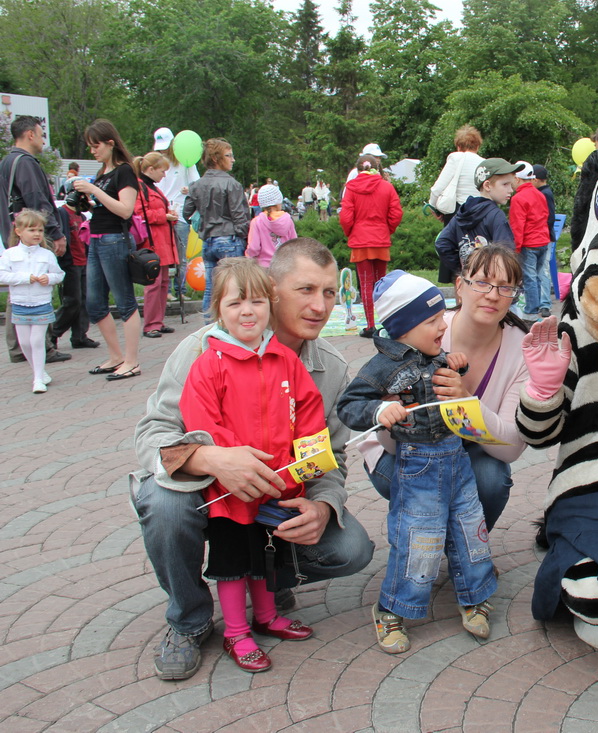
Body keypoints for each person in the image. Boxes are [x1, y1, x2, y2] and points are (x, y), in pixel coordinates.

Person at [131, 237, 374, 681]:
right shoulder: (203, 350)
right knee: (163, 505)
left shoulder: (331, 367)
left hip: (277, 496)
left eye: (329, 292)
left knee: (350, 548)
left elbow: (330, 456)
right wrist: (211, 459)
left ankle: (269, 584)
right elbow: (153, 435)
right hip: (208, 494)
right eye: (305, 290)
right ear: (273, 290)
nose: (319, 306)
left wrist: (323, 505)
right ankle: (190, 620)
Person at [337, 271, 497, 654]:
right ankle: (392, 609)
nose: (443, 325)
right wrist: (379, 409)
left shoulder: (433, 353)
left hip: (457, 461)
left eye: (442, 317)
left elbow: (441, 383)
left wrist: (455, 366)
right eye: (432, 321)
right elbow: (348, 406)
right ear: (403, 328)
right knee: (418, 541)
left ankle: (474, 596)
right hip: (418, 467)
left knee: (469, 528)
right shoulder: (381, 367)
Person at [179, 258, 320, 673]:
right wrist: (235, 466)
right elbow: (202, 425)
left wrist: (300, 466)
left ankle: (266, 616)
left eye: (257, 301)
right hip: (231, 492)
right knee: (232, 563)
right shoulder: (210, 364)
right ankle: (235, 632)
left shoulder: (285, 360)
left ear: (270, 304)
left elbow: (309, 413)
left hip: (278, 486)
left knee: (265, 557)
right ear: (218, 309)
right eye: (235, 302)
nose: (247, 311)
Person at [357, 244, 530, 531]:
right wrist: (395, 409)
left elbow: (510, 448)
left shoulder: (521, 350)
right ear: (460, 286)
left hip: (467, 453)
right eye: (483, 283)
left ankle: (467, 547)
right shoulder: (426, 332)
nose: (492, 295)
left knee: (491, 478)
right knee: (426, 483)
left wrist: (464, 401)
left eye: (505, 287)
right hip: (405, 452)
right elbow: (388, 443)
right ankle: (428, 543)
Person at [71, 118, 143, 381]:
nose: (93, 151)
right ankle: (116, 356)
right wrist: (86, 204)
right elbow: (104, 207)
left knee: (125, 301)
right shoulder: (103, 174)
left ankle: (132, 361)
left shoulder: (124, 171)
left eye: (96, 145)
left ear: (110, 143)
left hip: (115, 240)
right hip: (97, 239)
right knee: (94, 303)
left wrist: (93, 190)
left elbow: (125, 210)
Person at [0, 115, 71, 365]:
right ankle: (43, 347)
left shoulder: (7, 161)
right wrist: (55, 232)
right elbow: (37, 201)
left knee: (17, 291)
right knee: (40, 284)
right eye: (41, 134)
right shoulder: (26, 163)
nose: (43, 140)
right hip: (32, 234)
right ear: (29, 134)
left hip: (13, 232)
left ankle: (18, 347)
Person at [183, 137, 251, 318]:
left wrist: (203, 225)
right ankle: (234, 326)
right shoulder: (232, 184)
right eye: (229, 155)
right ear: (216, 159)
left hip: (208, 241)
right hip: (230, 239)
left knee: (211, 289)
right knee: (235, 288)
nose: (233, 159)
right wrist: (244, 237)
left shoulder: (196, 185)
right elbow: (240, 216)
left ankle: (209, 328)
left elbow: (186, 213)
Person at [0, 209, 65, 393]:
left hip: (41, 303)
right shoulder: (10, 254)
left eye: (40, 230)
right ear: (18, 231)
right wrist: (24, 278)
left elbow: (59, 274)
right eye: (31, 230)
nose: (36, 234)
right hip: (19, 303)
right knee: (25, 343)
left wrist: (49, 278)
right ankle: (39, 371)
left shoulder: (46, 255)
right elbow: (3, 274)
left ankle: (37, 379)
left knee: (37, 341)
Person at [339, 154, 403, 338]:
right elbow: (396, 213)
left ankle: (370, 325)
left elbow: (345, 217)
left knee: (366, 283)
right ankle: (385, 321)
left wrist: (351, 231)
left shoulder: (351, 188)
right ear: (377, 167)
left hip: (360, 241)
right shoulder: (386, 187)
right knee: (381, 283)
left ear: (358, 170)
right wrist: (386, 229)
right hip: (380, 239)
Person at [435, 158, 521, 284]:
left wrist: (464, 270)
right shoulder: (496, 215)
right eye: (505, 184)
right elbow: (506, 254)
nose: (511, 190)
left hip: (470, 284)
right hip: (492, 286)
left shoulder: (462, 212)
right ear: (487, 186)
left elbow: (442, 244)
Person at [134, 152, 180, 338]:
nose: (164, 175)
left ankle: (158, 322)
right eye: (162, 171)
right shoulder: (139, 187)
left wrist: (170, 217)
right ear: (150, 169)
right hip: (152, 242)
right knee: (153, 284)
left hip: (163, 241)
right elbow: (139, 214)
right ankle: (150, 324)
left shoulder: (152, 187)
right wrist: (164, 216)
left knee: (163, 283)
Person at [152, 128, 200, 298]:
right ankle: (165, 291)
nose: (163, 151)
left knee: (181, 255)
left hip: (180, 212)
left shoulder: (185, 162)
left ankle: (180, 290)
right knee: (163, 256)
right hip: (162, 212)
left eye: (165, 147)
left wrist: (190, 189)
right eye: (160, 149)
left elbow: (197, 183)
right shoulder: (156, 165)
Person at [50, 193, 97, 349]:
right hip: (70, 263)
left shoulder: (82, 216)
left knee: (84, 301)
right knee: (72, 301)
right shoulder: (62, 213)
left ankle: (80, 335)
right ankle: (52, 333)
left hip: (83, 261)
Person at [510, 162, 552, 320]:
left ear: (517, 179)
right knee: (539, 276)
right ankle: (539, 306)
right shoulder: (540, 194)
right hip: (543, 241)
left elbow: (517, 226)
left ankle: (531, 311)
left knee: (529, 277)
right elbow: (545, 217)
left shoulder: (518, 198)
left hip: (529, 243)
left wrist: (516, 248)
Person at [428, 125, 485, 225]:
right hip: (479, 213)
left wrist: (433, 207)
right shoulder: (484, 163)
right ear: (477, 146)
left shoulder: (456, 158)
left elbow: (438, 188)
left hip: (457, 212)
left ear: (458, 147)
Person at [246, 183, 297, 268]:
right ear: (278, 202)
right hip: (285, 267)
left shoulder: (256, 222)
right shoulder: (288, 219)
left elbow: (253, 248)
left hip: (264, 267)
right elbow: (294, 243)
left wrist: (249, 258)